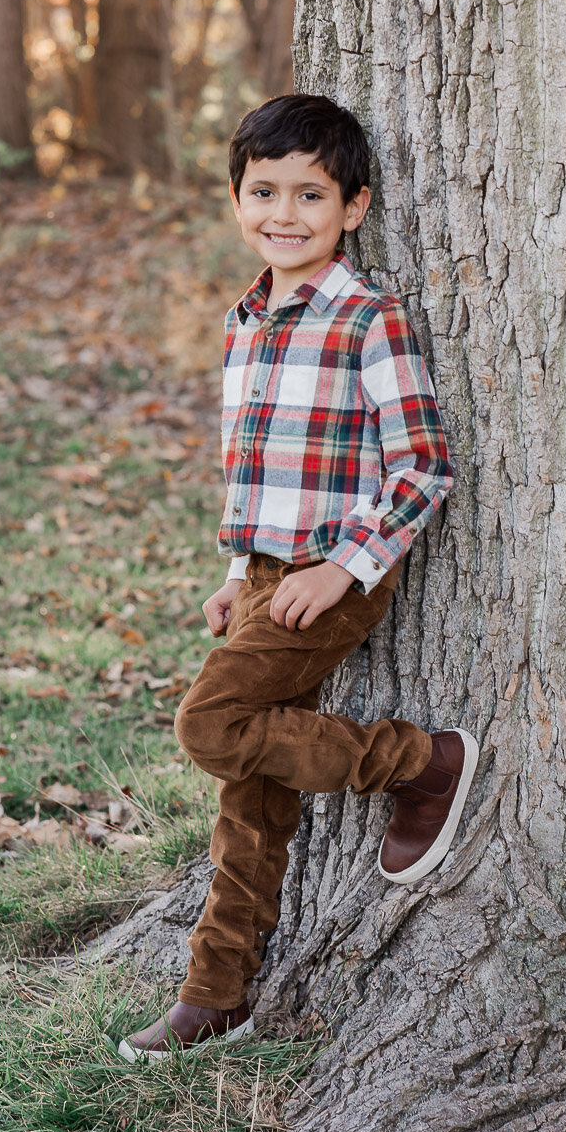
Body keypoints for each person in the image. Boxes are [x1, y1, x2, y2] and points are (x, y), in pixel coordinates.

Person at [118, 94, 478, 1064]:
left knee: (209, 724)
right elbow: (257, 466)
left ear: (352, 206)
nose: (283, 211)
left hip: (336, 572)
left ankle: (419, 762)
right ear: (238, 196)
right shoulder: (245, 320)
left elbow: (424, 463)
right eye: (263, 189)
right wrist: (240, 572)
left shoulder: (365, 316)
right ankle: (217, 990)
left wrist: (341, 566)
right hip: (269, 572)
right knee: (248, 788)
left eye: (309, 193)